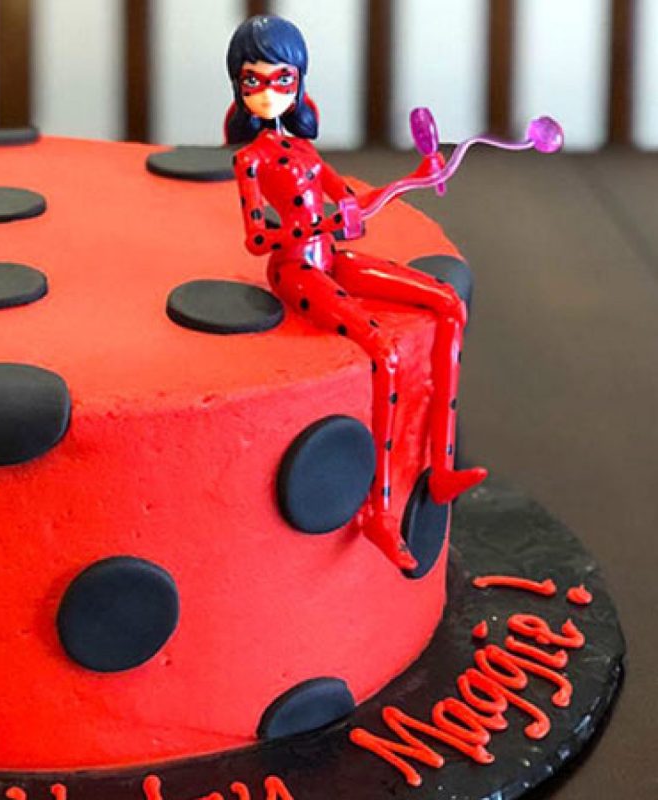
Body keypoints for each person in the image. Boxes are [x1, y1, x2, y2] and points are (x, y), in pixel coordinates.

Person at [226, 15, 486, 570]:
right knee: (384, 353)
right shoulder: (250, 160)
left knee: (447, 304)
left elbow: (348, 199)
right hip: (295, 271)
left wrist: (406, 182)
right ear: (238, 86)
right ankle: (378, 511)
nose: (268, 92)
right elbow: (256, 238)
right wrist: (315, 225)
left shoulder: (305, 152)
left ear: (299, 82)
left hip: (331, 258)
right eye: (253, 81)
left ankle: (441, 467)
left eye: (281, 79)